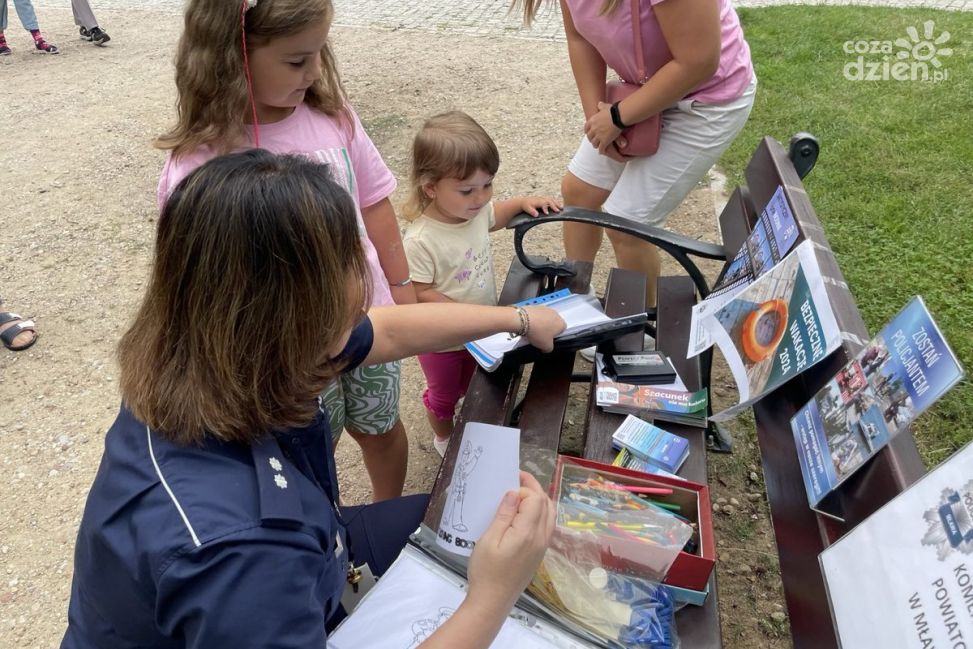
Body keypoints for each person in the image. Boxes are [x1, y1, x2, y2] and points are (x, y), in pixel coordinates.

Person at [61, 150, 561, 648]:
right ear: (296, 315)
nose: (365, 282)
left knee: (489, 515)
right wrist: (492, 595)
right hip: (286, 573)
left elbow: (385, 331)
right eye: (352, 258)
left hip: (323, 553)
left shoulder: (208, 354)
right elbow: (253, 564)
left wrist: (515, 319)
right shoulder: (245, 552)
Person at [156, 0, 416, 502]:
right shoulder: (201, 159)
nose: (315, 71)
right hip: (284, 352)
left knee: (380, 427)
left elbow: (375, 202)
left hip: (370, 323)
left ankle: (388, 516)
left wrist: (401, 287)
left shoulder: (334, 119)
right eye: (297, 61)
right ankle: (324, 536)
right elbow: (194, 280)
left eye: (320, 52)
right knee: (306, 452)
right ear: (231, 56)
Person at [515, 0, 756, 309]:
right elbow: (579, 38)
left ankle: (630, 329)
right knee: (579, 191)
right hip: (644, 87)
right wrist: (598, 121)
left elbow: (699, 61)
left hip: (707, 100)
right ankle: (576, 302)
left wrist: (618, 118)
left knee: (627, 221)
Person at [402, 111, 562, 457]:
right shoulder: (421, 239)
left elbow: (497, 215)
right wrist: (467, 313)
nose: (480, 198)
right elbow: (418, 293)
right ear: (431, 187)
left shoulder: (471, 213)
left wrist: (521, 203)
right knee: (444, 393)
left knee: (477, 380)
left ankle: (474, 416)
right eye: (467, 190)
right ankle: (443, 438)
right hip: (440, 340)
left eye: (487, 185)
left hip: (480, 327)